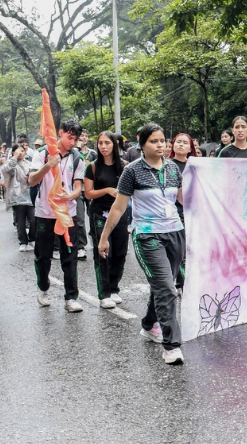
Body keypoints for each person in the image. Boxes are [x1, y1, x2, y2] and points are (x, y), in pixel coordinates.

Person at [98, 123, 186, 365]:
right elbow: (118, 207)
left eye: (162, 141)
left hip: (175, 233)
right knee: (168, 289)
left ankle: (149, 324)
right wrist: (104, 238)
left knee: (162, 286)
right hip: (147, 236)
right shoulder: (132, 171)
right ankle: (172, 346)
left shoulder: (173, 169)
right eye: (154, 141)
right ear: (142, 145)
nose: (161, 145)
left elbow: (183, 199)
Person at [28, 119, 85, 312]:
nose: (72, 142)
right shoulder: (42, 153)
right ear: (60, 132)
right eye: (69, 137)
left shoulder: (78, 158)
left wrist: (71, 195)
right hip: (45, 212)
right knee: (43, 256)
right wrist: (47, 165)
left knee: (70, 255)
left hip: (68, 213)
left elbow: (78, 188)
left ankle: (71, 297)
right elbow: (32, 180)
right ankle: (43, 288)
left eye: (75, 139)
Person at [85, 131, 128, 308]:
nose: (103, 147)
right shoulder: (93, 167)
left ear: (115, 145)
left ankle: (114, 287)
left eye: (107, 143)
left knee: (120, 252)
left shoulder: (125, 166)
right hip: (99, 214)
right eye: (100, 143)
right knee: (102, 252)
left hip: (120, 213)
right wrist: (106, 190)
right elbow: (88, 193)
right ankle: (104, 293)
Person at [168, 132, 197, 292]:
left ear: (190, 148)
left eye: (185, 143)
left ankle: (184, 282)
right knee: (179, 251)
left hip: (193, 213)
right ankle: (183, 285)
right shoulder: (166, 165)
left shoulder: (195, 166)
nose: (181, 145)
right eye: (178, 142)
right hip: (173, 213)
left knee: (190, 250)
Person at [1, 144, 35, 252]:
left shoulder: (30, 163)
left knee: (33, 219)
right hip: (17, 196)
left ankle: (33, 238)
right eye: (18, 151)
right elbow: (6, 169)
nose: (21, 153)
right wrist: (14, 157)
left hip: (29, 196)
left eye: (22, 151)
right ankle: (23, 242)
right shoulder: (10, 164)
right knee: (20, 221)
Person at [74, 129, 95, 260]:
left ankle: (97, 239)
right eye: (81, 136)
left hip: (91, 190)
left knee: (94, 216)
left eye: (86, 136)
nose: (84, 138)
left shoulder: (93, 154)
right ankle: (81, 246)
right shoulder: (73, 153)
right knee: (80, 219)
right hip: (78, 191)